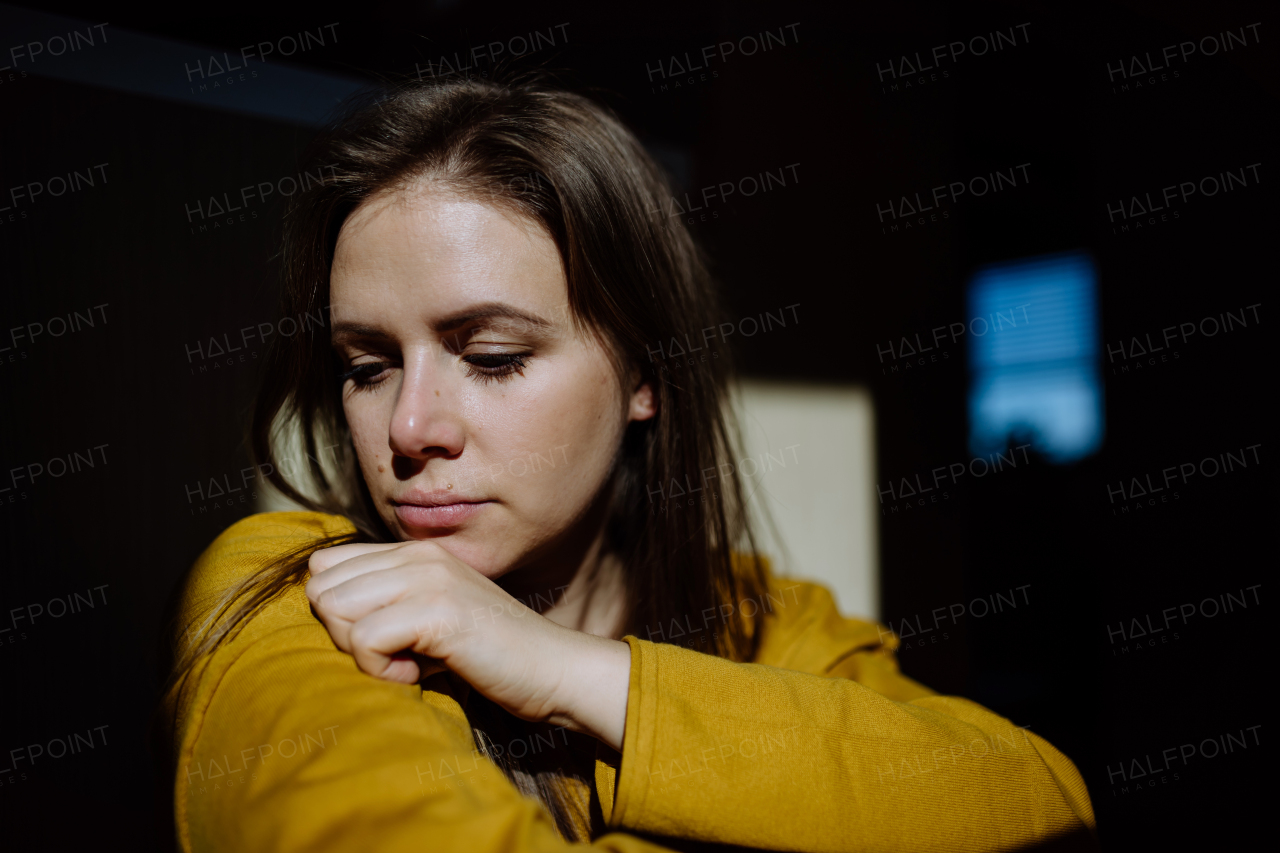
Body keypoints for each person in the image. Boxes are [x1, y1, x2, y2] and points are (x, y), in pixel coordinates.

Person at [160, 75, 1097, 852]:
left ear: (644, 374)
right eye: (366, 366)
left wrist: (567, 669)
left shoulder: (762, 621)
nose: (409, 426)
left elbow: (1038, 803)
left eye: (491, 358)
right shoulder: (294, 592)